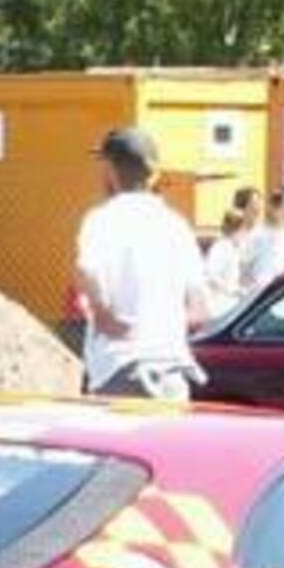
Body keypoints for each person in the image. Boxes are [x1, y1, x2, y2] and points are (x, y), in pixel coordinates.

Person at [74, 126, 211, 399]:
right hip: (172, 368)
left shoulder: (103, 220)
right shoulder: (176, 225)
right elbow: (200, 311)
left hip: (120, 367)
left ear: (111, 170)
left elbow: (85, 269)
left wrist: (102, 314)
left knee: (114, 442)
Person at [233, 186, 284, 295]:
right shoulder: (235, 239)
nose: (258, 209)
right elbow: (238, 271)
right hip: (250, 299)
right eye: (252, 206)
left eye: (259, 204)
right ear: (241, 209)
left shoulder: (270, 232)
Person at [203, 207, 251, 315]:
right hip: (220, 306)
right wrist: (232, 290)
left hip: (231, 304)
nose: (245, 232)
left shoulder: (234, 248)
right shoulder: (220, 248)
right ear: (236, 228)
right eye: (243, 228)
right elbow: (211, 276)